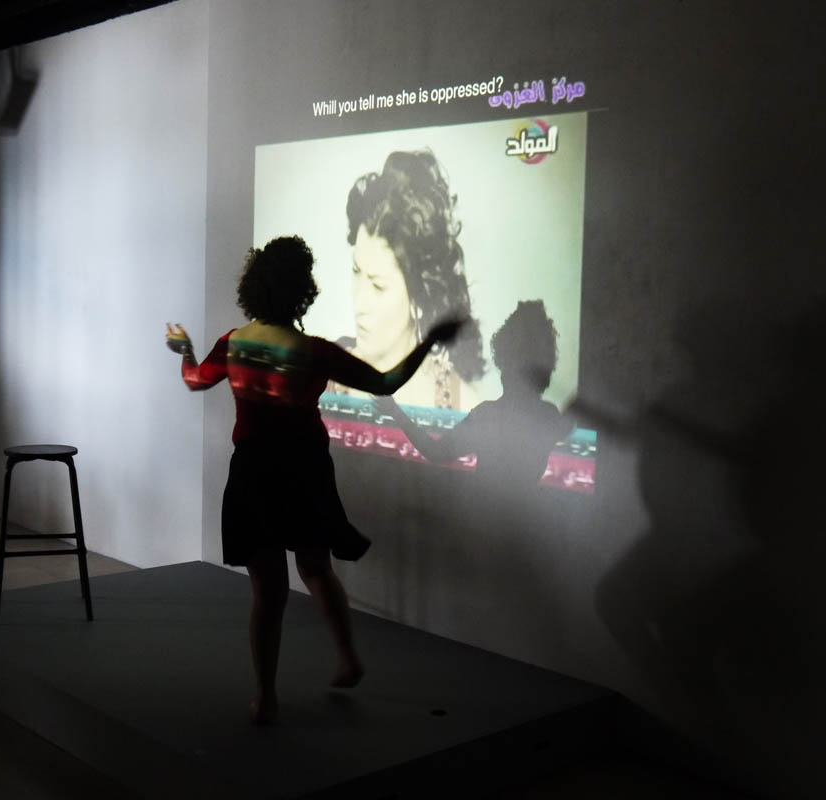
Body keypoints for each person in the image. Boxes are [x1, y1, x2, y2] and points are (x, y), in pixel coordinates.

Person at [166, 235, 462, 724]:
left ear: (254, 286)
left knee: (268, 593)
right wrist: (428, 340)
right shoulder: (315, 352)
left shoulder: (233, 343)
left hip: (254, 474)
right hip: (304, 471)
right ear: (302, 291)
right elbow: (386, 382)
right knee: (316, 568)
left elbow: (194, 380)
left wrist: (184, 350)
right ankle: (348, 659)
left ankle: (266, 697)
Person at [332, 149, 485, 410]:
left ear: (419, 298)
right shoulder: (318, 383)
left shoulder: (463, 409)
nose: (359, 303)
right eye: (356, 272)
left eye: (378, 285)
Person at [377, 300, 569, 491]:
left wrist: (394, 411)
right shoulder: (550, 417)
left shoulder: (488, 416)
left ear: (506, 363)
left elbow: (437, 452)